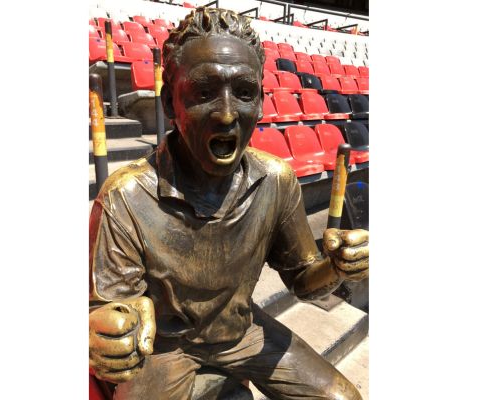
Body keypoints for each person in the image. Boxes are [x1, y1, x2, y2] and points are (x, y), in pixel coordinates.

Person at [89, 7, 369, 400]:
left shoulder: (275, 181)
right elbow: (109, 308)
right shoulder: (127, 196)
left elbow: (303, 283)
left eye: (243, 92)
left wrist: (336, 268)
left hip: (243, 332)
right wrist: (108, 331)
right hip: (166, 351)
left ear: (260, 101)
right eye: (203, 93)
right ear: (171, 102)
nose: (225, 114)